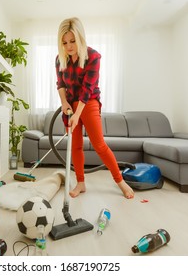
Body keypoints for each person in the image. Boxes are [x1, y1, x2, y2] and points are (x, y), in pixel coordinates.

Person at [55, 17, 134, 199]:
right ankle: (80, 183)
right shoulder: (60, 59)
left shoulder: (93, 57)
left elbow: (87, 89)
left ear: (80, 37)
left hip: (88, 102)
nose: (69, 46)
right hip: (70, 105)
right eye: (64, 42)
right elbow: (60, 84)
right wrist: (64, 103)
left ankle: (120, 181)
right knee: (75, 146)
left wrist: (78, 113)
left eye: (73, 41)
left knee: (99, 145)